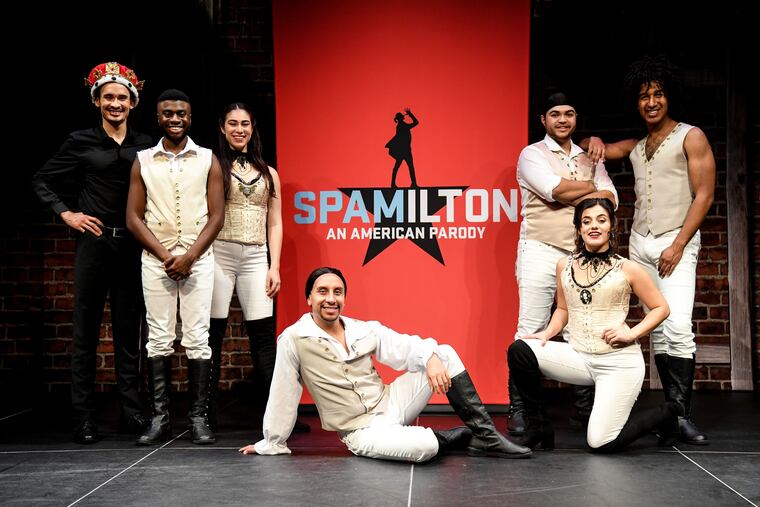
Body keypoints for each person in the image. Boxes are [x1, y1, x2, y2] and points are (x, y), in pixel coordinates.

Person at [238, 267, 531, 462]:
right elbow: (284, 392)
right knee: (424, 448)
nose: (331, 299)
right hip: (360, 430)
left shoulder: (363, 328)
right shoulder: (294, 338)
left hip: (391, 404)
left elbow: (406, 346)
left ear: (344, 297)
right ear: (309, 298)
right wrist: (272, 442)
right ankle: (450, 437)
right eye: (322, 291)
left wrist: (430, 358)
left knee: (443, 354)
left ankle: (486, 436)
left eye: (337, 292)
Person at [582, 56, 715, 445]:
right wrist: (595, 141)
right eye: (644, 96)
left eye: (658, 94)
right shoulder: (639, 145)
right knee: (657, 332)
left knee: (678, 327)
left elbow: (705, 195)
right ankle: (671, 417)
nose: (651, 102)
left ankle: (682, 414)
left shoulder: (691, 136)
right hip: (641, 244)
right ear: (636, 102)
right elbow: (605, 149)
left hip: (676, 240)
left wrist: (678, 244)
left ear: (669, 97)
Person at [32, 62, 151, 444]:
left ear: (132, 102)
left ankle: (131, 412)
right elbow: (42, 179)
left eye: (122, 98)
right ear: (97, 100)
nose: (115, 104)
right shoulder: (80, 141)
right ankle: (83, 417)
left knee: (128, 332)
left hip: (131, 245)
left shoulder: (146, 145)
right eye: (108, 97)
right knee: (85, 331)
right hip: (94, 244)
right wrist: (67, 213)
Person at [508, 198, 681, 453]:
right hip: (579, 358)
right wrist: (547, 333)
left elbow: (661, 308)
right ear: (579, 229)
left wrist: (632, 333)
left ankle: (667, 412)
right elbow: (563, 309)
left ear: (611, 226)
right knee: (520, 349)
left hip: (617, 363)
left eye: (601, 220)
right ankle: (538, 427)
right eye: (586, 221)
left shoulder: (628, 268)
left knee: (600, 443)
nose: (594, 226)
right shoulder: (564, 265)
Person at [507, 92, 618, 437]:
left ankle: (584, 411)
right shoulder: (531, 154)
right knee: (531, 329)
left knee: (582, 329)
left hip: (577, 255)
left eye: (569, 113)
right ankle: (522, 410)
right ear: (544, 120)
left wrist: (581, 190)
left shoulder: (589, 156)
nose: (562, 119)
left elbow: (610, 200)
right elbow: (554, 190)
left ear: (575, 118)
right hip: (539, 249)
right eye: (555, 114)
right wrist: (591, 188)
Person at [126, 89, 225, 445]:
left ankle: (198, 418)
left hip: (198, 259)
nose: (175, 119)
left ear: (190, 117)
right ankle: (160, 418)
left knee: (198, 338)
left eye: (181, 113)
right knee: (158, 338)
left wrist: (190, 257)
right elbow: (133, 218)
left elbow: (217, 216)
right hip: (157, 261)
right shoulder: (143, 160)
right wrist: (165, 255)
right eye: (168, 113)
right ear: (158, 118)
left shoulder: (208, 158)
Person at [207, 102, 308, 432]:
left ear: (253, 129)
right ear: (222, 128)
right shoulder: (212, 166)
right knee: (213, 335)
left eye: (245, 124)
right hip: (219, 253)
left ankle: (278, 417)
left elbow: (275, 223)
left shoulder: (268, 173)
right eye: (233, 123)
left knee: (263, 337)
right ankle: (204, 415)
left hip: (255, 256)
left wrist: (273, 266)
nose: (239, 129)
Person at [385, 108, 419, 187]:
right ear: (401, 118)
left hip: (403, 150)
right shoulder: (403, 126)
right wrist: (410, 114)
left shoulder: (401, 125)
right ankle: (412, 183)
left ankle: (394, 183)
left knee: (399, 167)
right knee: (409, 167)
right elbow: (416, 122)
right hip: (404, 151)